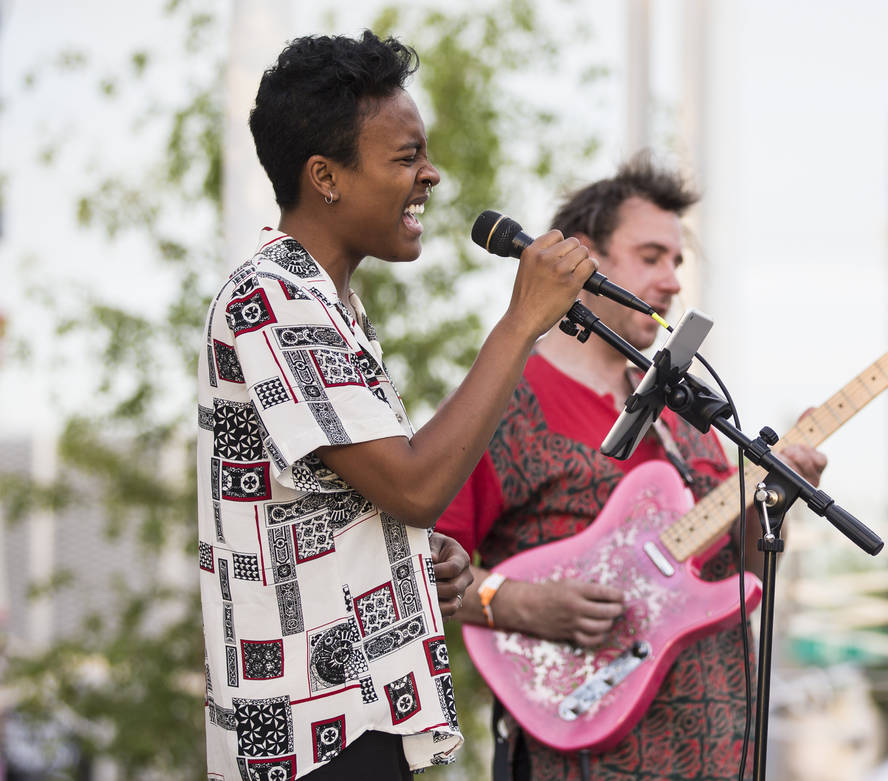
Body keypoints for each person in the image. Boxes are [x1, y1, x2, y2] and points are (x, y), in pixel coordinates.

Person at [196, 31, 598, 780]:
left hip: (354, 711)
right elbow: (415, 486)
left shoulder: (328, 304)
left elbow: (374, 496)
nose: (430, 175)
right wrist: (520, 323)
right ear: (327, 177)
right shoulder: (273, 298)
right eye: (406, 156)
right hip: (309, 730)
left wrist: (411, 557)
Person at [437, 153, 828, 781]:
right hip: (583, 754)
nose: (672, 281)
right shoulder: (506, 399)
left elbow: (741, 582)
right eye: (651, 258)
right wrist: (518, 603)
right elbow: (424, 568)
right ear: (584, 259)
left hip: (723, 752)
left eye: (676, 262)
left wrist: (767, 509)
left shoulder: (688, 417)